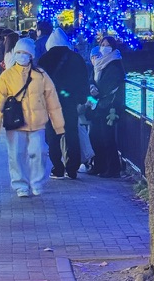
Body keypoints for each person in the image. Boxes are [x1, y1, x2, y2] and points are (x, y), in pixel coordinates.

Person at [0, 37, 64, 197]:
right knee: (16, 154)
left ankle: (37, 182)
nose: (22, 56)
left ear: (31, 56)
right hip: (14, 122)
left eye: (25, 53)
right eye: (19, 52)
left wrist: (58, 124)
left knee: (40, 152)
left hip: (37, 122)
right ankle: (20, 184)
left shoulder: (41, 75)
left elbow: (53, 99)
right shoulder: (7, 76)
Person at [38, 27, 89, 179]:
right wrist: (81, 99)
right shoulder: (76, 58)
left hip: (50, 104)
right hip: (70, 103)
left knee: (53, 137)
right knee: (71, 135)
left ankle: (58, 168)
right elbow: (83, 80)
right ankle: (72, 168)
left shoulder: (44, 59)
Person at [88, 34, 126, 178]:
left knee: (107, 138)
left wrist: (97, 92)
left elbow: (111, 84)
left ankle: (112, 168)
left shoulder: (115, 64)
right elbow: (92, 78)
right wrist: (91, 86)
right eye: (102, 45)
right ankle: (99, 165)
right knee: (95, 136)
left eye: (107, 45)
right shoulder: (99, 63)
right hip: (98, 106)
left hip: (109, 107)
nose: (104, 47)